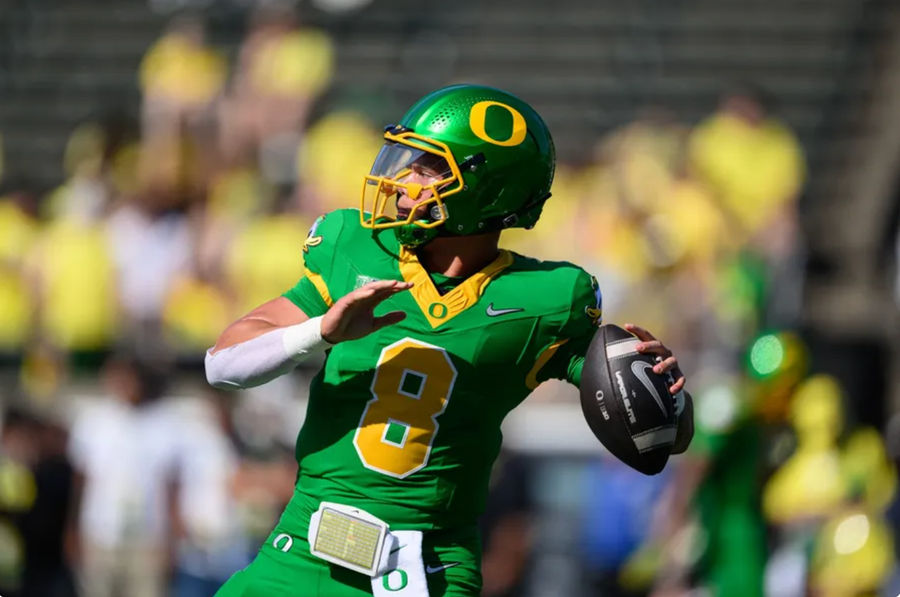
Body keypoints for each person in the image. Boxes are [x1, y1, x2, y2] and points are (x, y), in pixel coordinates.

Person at [205, 84, 691, 597]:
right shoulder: (355, 248)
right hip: (301, 547)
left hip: (421, 572)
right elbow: (223, 363)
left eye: (427, 167)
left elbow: (656, 435)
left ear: (486, 190)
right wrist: (319, 332)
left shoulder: (546, 301)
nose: (402, 180)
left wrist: (668, 395)